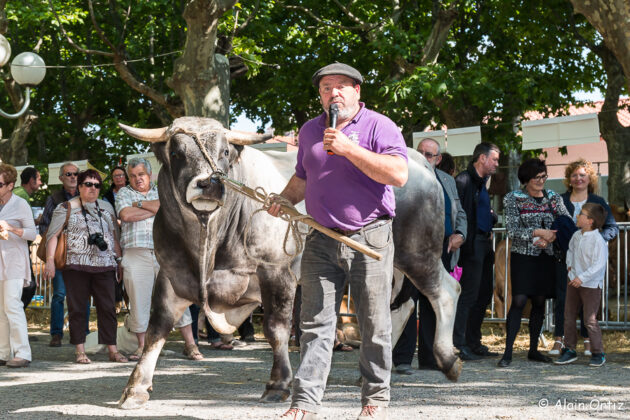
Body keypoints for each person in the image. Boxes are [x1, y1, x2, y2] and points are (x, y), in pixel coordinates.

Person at [269, 62, 408, 420]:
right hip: (321, 235)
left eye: (342, 86)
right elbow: (303, 176)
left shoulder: (380, 125)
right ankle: (305, 402)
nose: (334, 93)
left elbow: (398, 174)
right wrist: (284, 200)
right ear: (320, 95)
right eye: (327, 87)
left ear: (357, 91)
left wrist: (349, 149)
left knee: (374, 322)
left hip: (371, 235)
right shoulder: (310, 130)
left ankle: (375, 399)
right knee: (314, 323)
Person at [116, 157, 202, 362]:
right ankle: (142, 347)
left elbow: (166, 209)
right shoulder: (123, 193)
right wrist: (153, 207)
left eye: (141, 175)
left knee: (177, 298)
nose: (138, 179)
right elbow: (126, 215)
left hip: (166, 252)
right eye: (133, 176)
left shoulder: (163, 189)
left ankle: (190, 345)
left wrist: (140, 204)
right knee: (139, 302)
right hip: (135, 253)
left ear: (149, 174)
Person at [393, 139, 466, 374]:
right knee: (404, 298)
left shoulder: (447, 180)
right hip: (409, 244)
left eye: (429, 154)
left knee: (432, 299)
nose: (424, 157)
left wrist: (460, 234)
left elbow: (460, 210)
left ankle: (429, 358)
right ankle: (402, 358)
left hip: (442, 244)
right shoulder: (402, 174)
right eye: (421, 152)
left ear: (438, 159)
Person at [42, 169, 127, 364]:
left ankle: (112, 350)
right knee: (77, 308)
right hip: (76, 265)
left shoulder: (106, 207)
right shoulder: (66, 207)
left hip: (105, 265)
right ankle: (80, 350)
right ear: (79, 186)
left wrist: (119, 261)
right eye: (88, 184)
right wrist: (49, 261)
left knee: (107, 308)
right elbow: (52, 236)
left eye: (97, 185)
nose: (93, 188)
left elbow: (114, 237)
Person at [498, 158, 570, 367]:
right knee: (519, 301)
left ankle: (533, 350)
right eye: (536, 177)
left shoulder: (553, 197)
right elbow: (512, 229)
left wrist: (550, 237)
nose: (541, 181)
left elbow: (564, 221)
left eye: (543, 176)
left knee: (539, 302)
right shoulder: (513, 198)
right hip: (523, 256)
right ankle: (508, 352)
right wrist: (537, 233)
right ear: (526, 179)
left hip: (546, 257)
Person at [550, 159, 618, 356]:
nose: (578, 178)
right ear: (568, 179)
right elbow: (552, 225)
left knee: (587, 301)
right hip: (566, 257)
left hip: (588, 261)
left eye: (582, 175)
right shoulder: (560, 200)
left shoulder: (597, 202)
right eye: (574, 175)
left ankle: (588, 340)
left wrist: (595, 240)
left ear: (589, 178)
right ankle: (559, 340)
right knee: (564, 299)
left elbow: (611, 227)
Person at [453, 142, 500, 360]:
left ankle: (473, 341)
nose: (497, 164)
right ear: (482, 158)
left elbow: (480, 211)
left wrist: (490, 220)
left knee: (483, 294)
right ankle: (459, 344)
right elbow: (458, 213)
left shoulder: (482, 183)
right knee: (468, 295)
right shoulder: (463, 180)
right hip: (470, 247)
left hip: (483, 244)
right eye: (494, 159)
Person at [39, 162, 90, 347]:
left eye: (76, 173)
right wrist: (58, 238)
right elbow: (44, 225)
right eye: (68, 174)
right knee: (59, 295)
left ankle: (83, 333)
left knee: (82, 295)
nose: (73, 177)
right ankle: (56, 334)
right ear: (61, 177)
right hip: (60, 253)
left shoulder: (86, 195)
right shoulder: (54, 198)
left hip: (81, 252)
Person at [554, 203, 608, 367]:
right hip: (573, 282)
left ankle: (598, 352)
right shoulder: (576, 235)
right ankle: (569, 349)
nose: (577, 216)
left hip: (590, 285)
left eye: (582, 214)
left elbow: (598, 265)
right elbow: (570, 251)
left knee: (589, 319)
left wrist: (582, 278)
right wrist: (570, 267)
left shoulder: (598, 240)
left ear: (590, 221)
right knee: (568, 316)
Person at [0, 163, 36, 368]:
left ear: (10, 185)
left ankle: (23, 352)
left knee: (12, 305)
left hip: (14, 260)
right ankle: (4, 352)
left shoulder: (20, 204)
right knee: (0, 309)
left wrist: (11, 228)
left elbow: (32, 233)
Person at [12, 167, 42, 308]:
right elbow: (25, 226)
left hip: (17, 247)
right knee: (29, 286)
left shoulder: (18, 193)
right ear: (31, 180)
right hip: (17, 248)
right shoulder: (21, 196)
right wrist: (38, 221)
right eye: (39, 179)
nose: (41, 183)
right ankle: (14, 318)